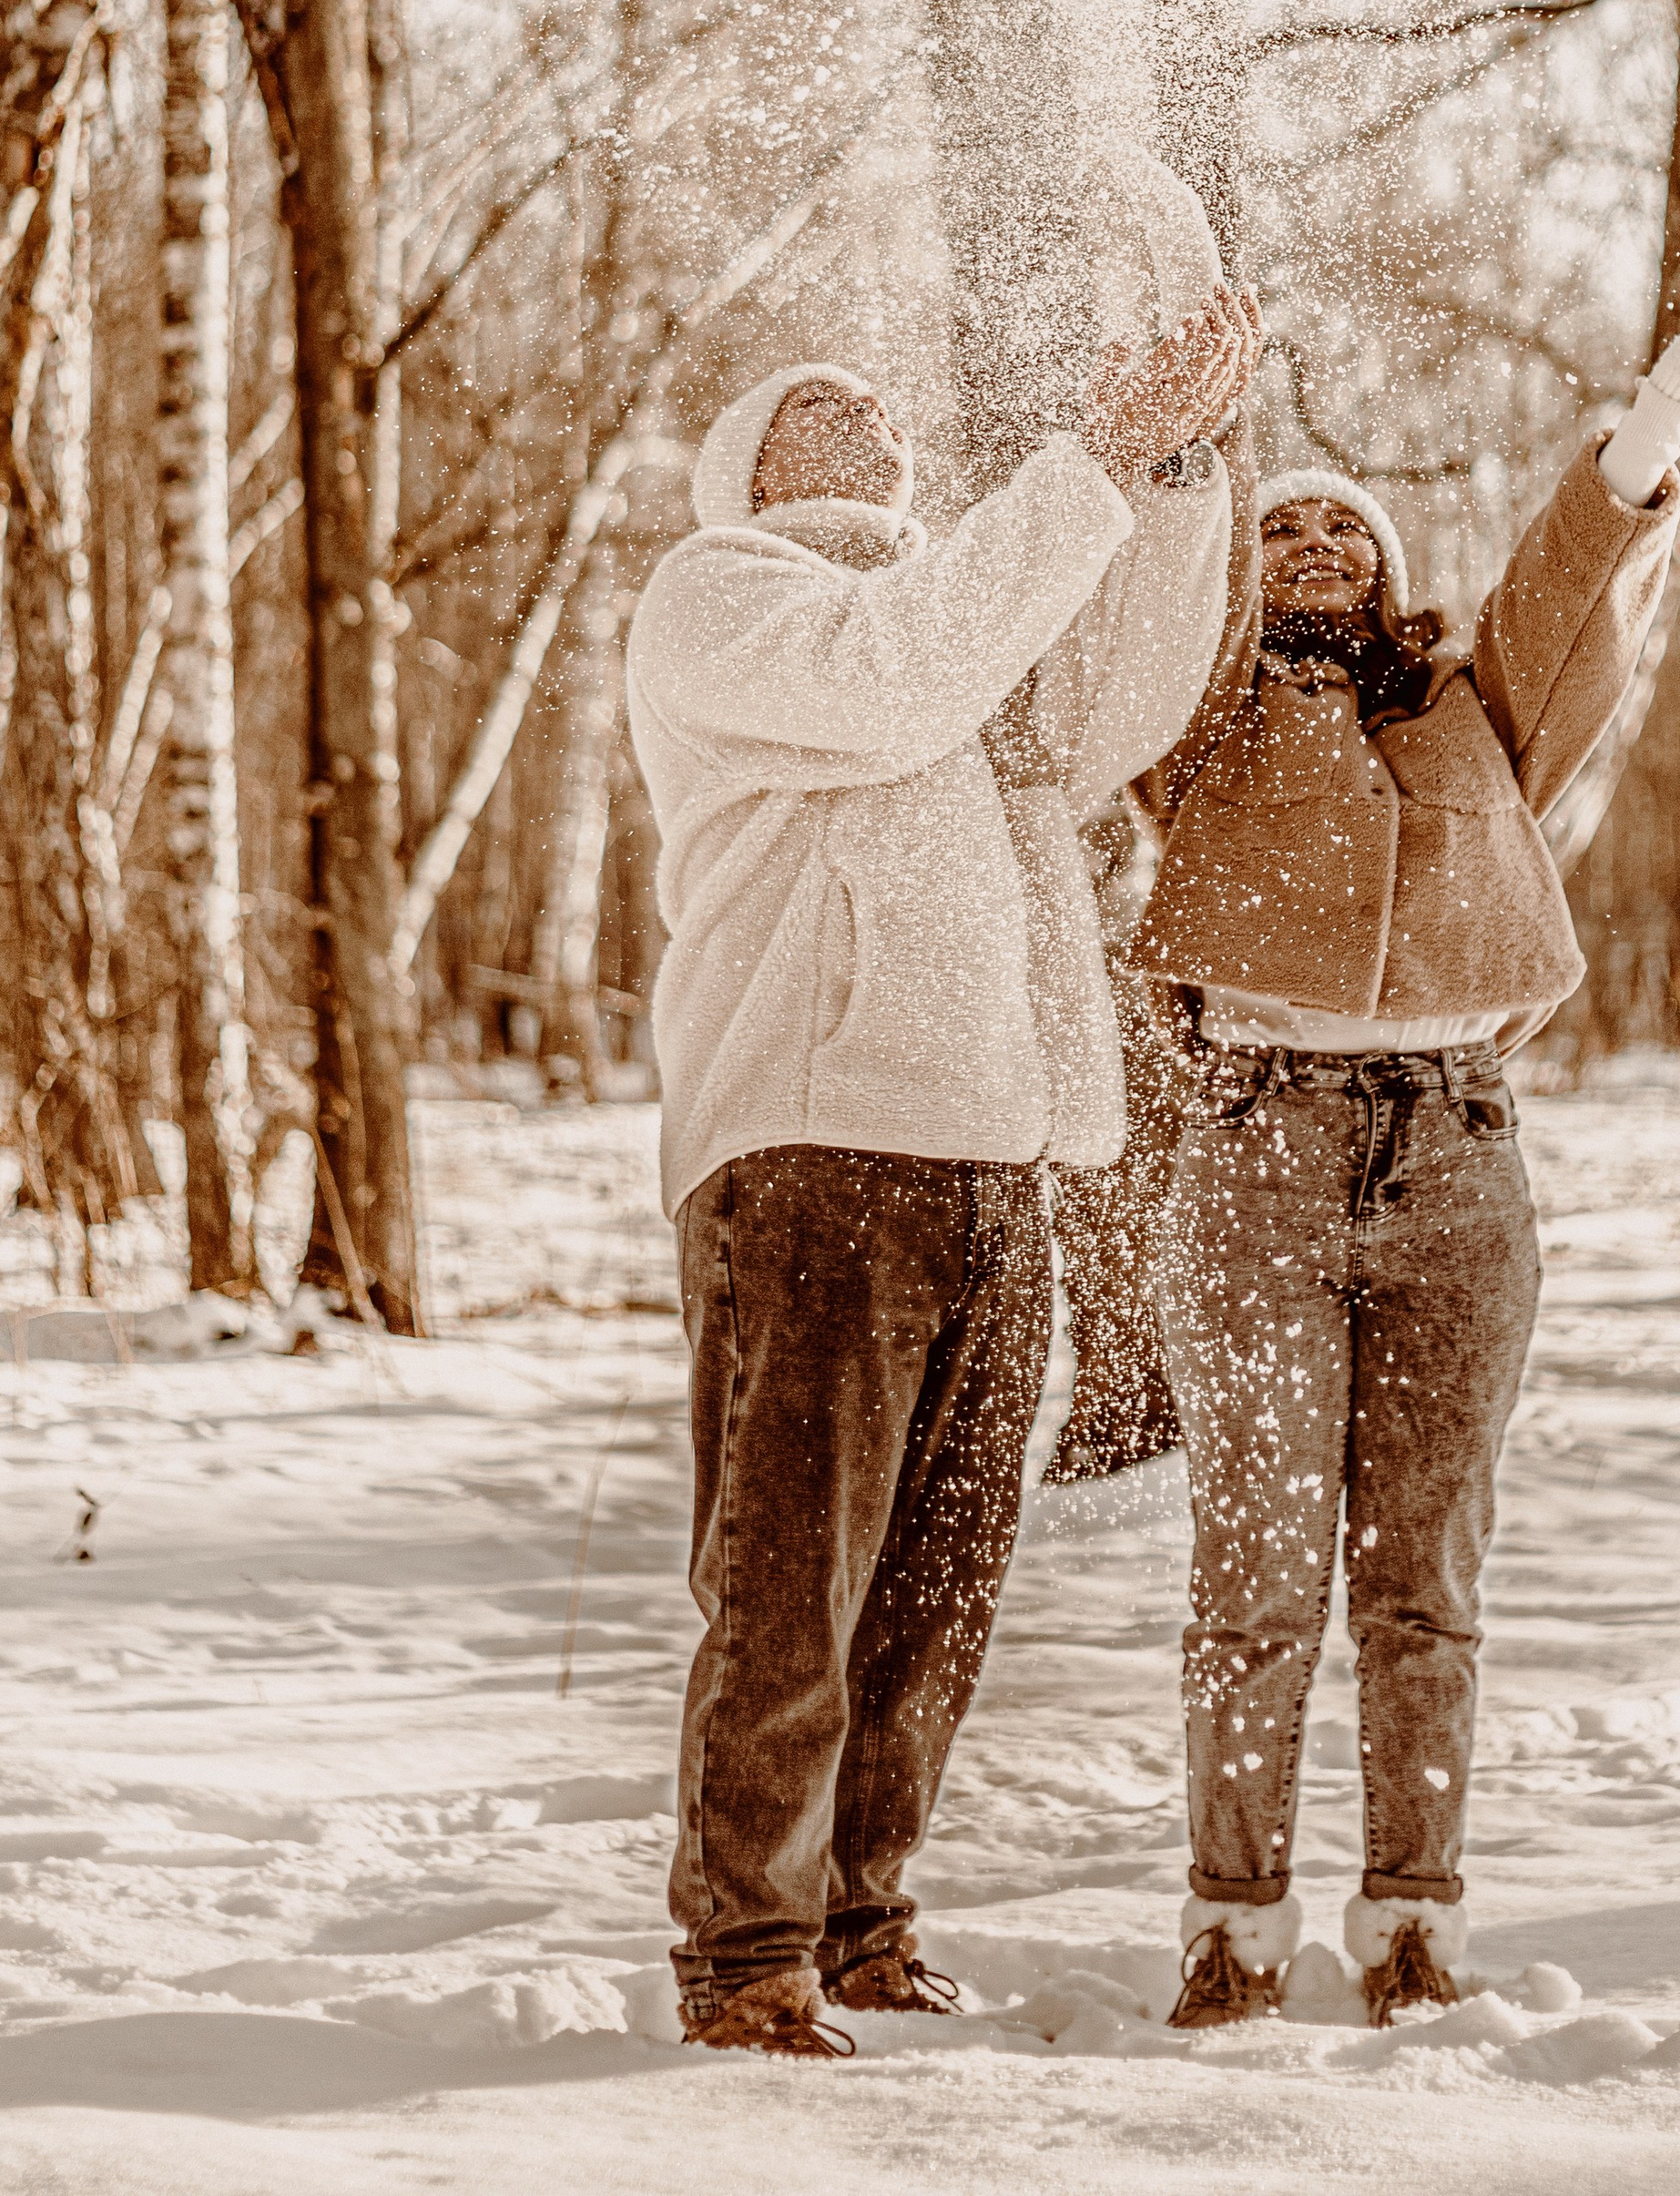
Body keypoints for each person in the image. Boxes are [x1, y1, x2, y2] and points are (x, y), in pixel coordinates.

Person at [1133, 270, 1680, 2030]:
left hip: (1458, 1159)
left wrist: (1675, 390)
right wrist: (1164, 436)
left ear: (1389, 582)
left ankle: (1408, 1918)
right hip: (1257, 1160)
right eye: (1280, 531)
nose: (1314, 547)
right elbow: (1131, 599)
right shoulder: (1193, 730)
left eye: (1344, 535)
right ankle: (1233, 1922)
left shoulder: (1477, 713)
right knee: (1259, 1557)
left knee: (1423, 1568)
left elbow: (1572, 564)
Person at [626, 280, 1260, 2058]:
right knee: (789, 1588)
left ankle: (861, 1915)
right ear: (744, 464)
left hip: (992, 1155)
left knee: (930, 1595)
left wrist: (1177, 464)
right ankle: (743, 1954)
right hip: (812, 1145)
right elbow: (895, 671)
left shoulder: (967, 611)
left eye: (881, 413)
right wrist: (1085, 462)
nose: (869, 424)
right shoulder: (725, 597)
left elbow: (1120, 694)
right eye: (819, 408)